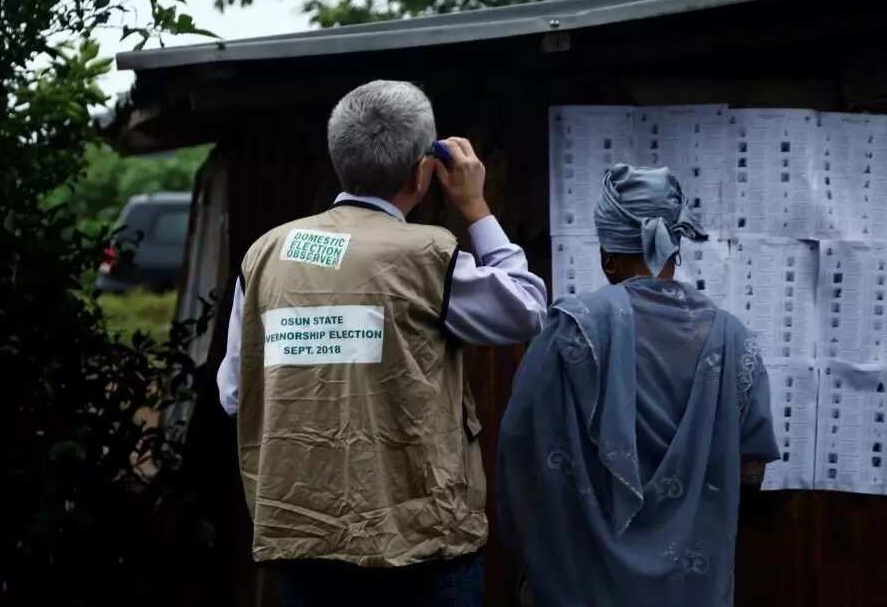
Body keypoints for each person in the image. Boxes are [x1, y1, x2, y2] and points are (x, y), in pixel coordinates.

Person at [216, 80, 547, 606]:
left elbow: (236, 392)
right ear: (424, 171)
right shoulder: (426, 256)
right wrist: (477, 208)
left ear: (338, 159)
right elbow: (526, 308)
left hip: (303, 541)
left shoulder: (266, 254)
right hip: (422, 548)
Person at [497, 164, 779, 607]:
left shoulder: (572, 329)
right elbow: (751, 471)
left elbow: (521, 446)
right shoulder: (733, 339)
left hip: (578, 582)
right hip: (689, 588)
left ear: (608, 256)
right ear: (676, 248)